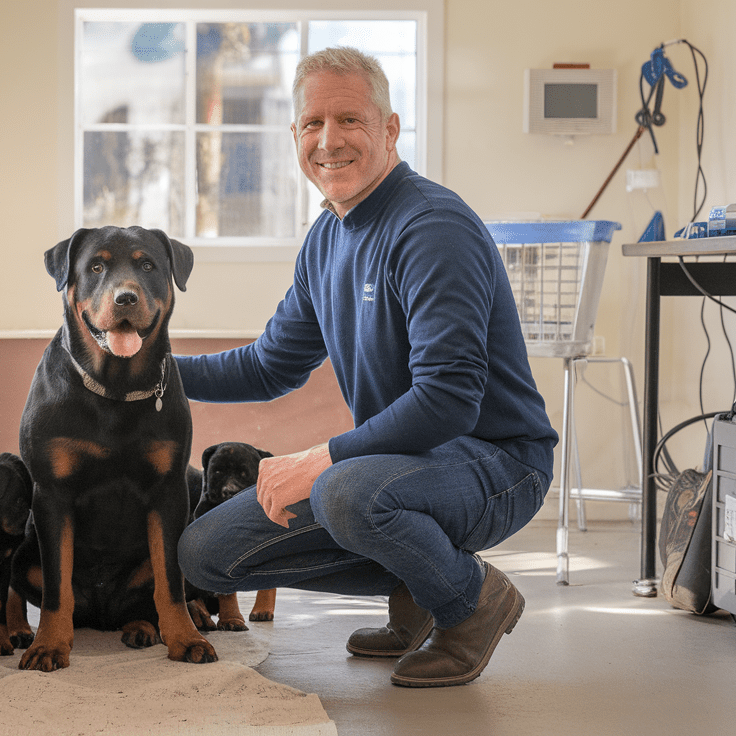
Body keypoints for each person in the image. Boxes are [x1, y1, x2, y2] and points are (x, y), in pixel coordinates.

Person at [174, 46, 558, 688]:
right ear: (295, 135)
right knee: (207, 554)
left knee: (345, 489)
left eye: (349, 120)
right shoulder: (326, 237)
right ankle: (418, 589)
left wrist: (320, 458)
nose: (329, 140)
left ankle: (470, 603)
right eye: (313, 124)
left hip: (498, 463)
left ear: (389, 129)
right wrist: (149, 369)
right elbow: (270, 366)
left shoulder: (432, 227)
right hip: (410, 466)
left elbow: (447, 401)